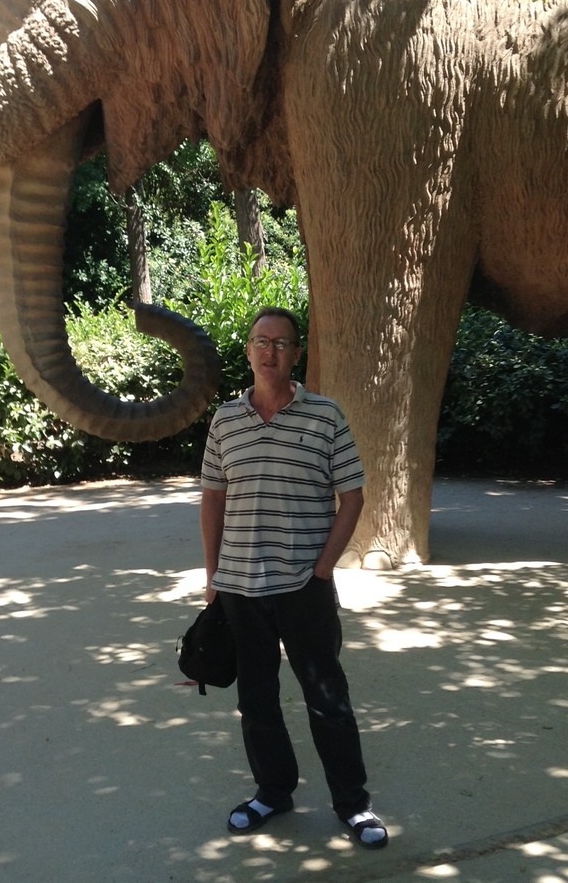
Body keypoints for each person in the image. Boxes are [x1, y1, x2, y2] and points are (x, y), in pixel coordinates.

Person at [199, 307, 388, 850]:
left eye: (281, 343)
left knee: (327, 696)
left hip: (304, 587)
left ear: (296, 354)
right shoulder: (225, 421)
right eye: (261, 341)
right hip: (240, 587)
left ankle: (353, 803)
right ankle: (272, 792)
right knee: (256, 699)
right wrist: (213, 577)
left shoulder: (325, 415)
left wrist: (322, 569)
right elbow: (213, 500)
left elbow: (352, 497)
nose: (270, 351)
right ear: (248, 350)